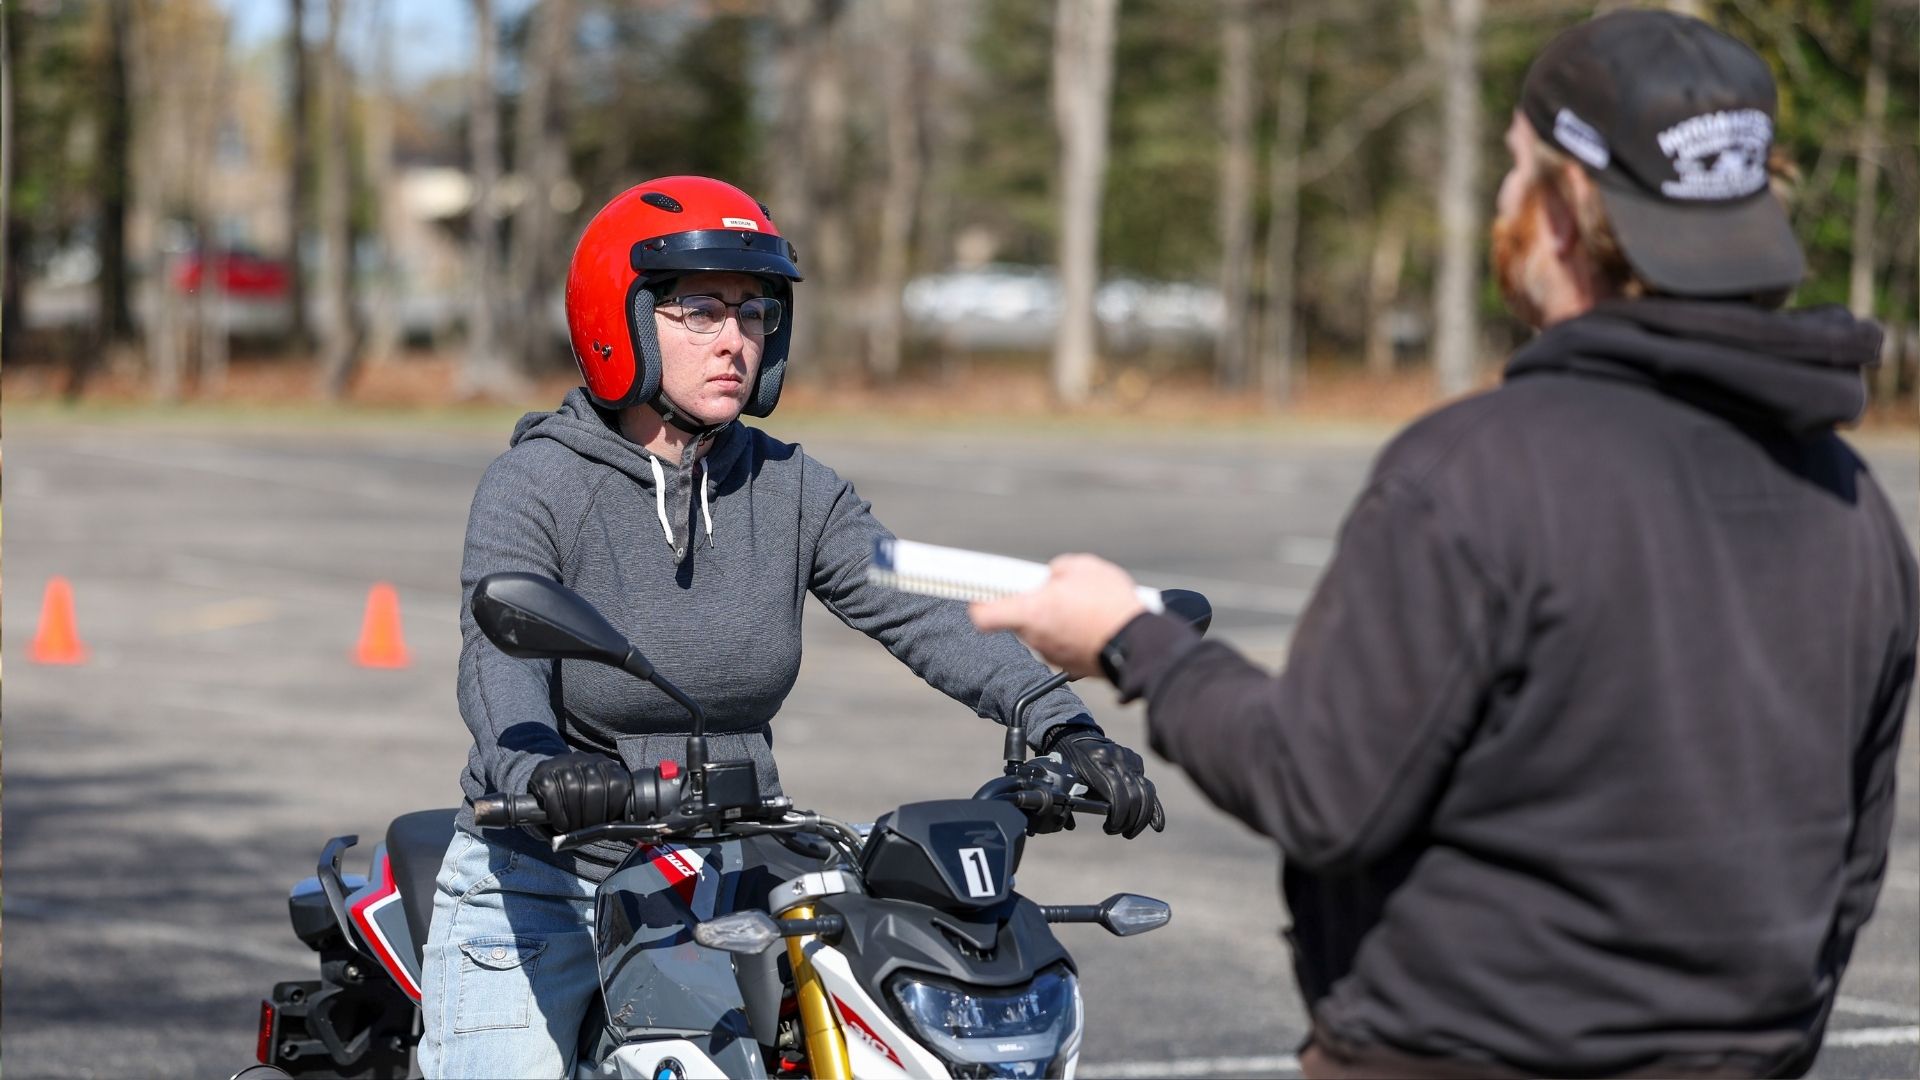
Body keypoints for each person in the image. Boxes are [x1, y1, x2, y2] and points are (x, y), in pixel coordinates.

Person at [972, 12, 1916, 1080]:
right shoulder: (1851, 502)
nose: (1501, 204)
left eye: (1517, 172)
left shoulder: (1477, 474)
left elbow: (1319, 785)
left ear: (1566, 211)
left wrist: (1132, 641)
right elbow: (1851, 862)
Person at [418, 175, 1165, 1078]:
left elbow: (925, 607)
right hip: (546, 878)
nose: (733, 340)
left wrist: (1060, 721)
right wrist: (539, 771)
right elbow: (497, 664)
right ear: (618, 320)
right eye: (700, 311)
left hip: (737, 866)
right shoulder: (537, 485)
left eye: (754, 312)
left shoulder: (790, 486)